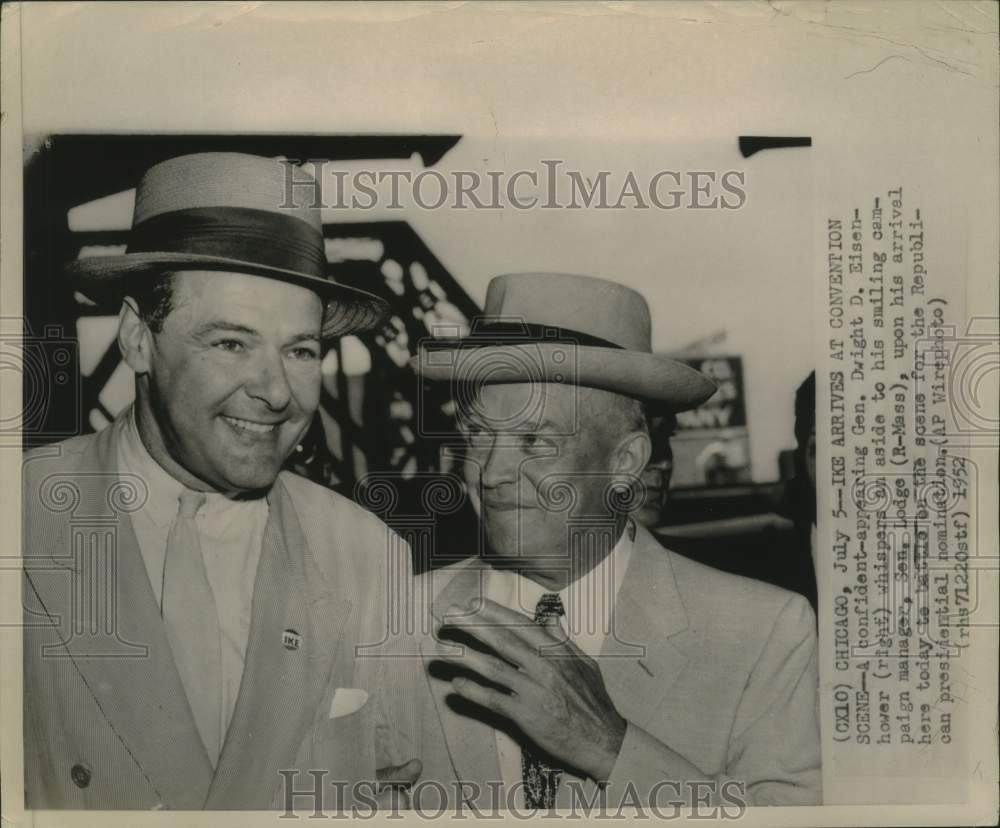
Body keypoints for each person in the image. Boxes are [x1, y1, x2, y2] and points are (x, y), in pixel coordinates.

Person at [22, 152, 423, 810]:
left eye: (299, 350)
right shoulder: (20, 523)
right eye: (231, 343)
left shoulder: (369, 557)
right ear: (137, 338)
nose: (275, 393)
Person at [408, 273, 821, 809]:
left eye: (535, 439)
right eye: (478, 435)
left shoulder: (766, 633)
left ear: (625, 461)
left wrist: (610, 747)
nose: (490, 473)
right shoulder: (397, 617)